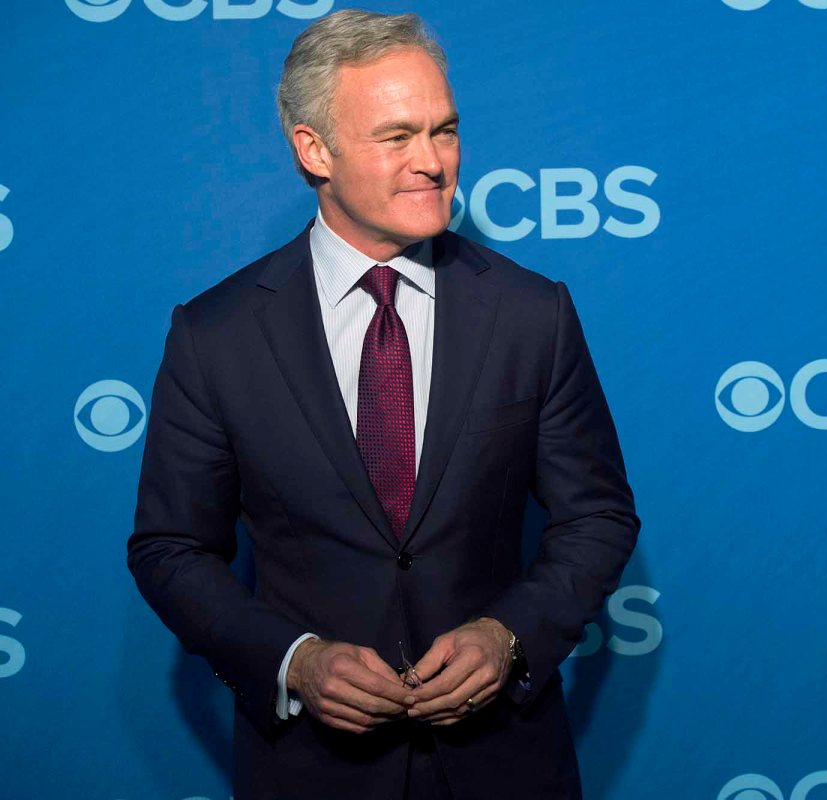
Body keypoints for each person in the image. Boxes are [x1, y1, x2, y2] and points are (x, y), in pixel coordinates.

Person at [127, 10, 639, 799]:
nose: (432, 162)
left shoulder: (532, 314)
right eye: (397, 137)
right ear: (314, 151)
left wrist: (508, 636)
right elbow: (171, 548)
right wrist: (295, 660)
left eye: (445, 131)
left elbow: (597, 517)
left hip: (504, 764)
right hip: (311, 772)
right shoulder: (216, 335)